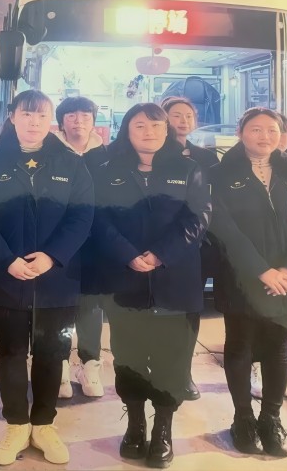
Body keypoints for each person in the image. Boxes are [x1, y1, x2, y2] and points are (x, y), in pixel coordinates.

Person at [0, 90, 94, 466]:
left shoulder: (71, 163)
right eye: (26, 114)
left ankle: (44, 424)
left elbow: (83, 215)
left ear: (50, 120)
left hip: (57, 281)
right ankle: (16, 424)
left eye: (41, 115)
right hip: (4, 278)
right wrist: (5, 259)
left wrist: (53, 256)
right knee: (10, 353)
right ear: (12, 117)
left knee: (52, 353)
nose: (33, 122)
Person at [93, 103, 211, 468]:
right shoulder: (107, 171)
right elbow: (98, 219)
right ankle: (135, 424)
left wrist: (161, 254)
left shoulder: (189, 169)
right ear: (127, 130)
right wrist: (127, 254)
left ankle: (162, 428)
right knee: (128, 359)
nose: (149, 132)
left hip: (175, 280)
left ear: (166, 130)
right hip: (124, 280)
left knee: (171, 361)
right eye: (140, 126)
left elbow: (199, 218)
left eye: (156, 126)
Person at [209, 107, 287, 457]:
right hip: (242, 276)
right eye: (256, 129)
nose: (264, 136)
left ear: (282, 134)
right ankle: (243, 419)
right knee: (240, 346)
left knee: (279, 348)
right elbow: (223, 228)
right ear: (240, 133)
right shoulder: (220, 173)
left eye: (271, 130)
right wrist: (262, 270)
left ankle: (270, 420)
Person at [161, 96, 220, 402]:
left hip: (195, 248)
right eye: (176, 115)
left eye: (188, 115)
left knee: (188, 312)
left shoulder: (207, 159)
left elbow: (213, 204)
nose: (183, 121)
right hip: (156, 248)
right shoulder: (151, 154)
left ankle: (183, 372)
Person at [53, 96, 108, 399]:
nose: (78, 121)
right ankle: (59, 365)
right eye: (71, 115)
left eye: (85, 115)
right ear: (61, 122)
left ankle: (90, 365)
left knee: (91, 307)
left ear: (93, 121)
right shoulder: (50, 153)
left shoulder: (107, 156)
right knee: (59, 308)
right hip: (58, 244)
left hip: (96, 246)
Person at [250, 114, 287, 401]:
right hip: (254, 267)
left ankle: (286, 368)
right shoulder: (240, 169)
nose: (272, 137)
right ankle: (258, 368)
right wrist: (261, 269)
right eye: (259, 130)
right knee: (254, 323)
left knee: (286, 326)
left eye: (279, 131)